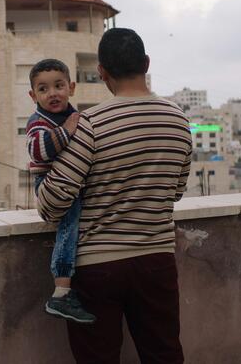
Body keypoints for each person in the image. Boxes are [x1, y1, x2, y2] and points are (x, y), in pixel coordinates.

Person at [37, 28, 192, 363]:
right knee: (164, 354)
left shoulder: (90, 123)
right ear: (146, 63)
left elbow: (53, 203)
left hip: (97, 268)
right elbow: (176, 191)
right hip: (157, 260)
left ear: (102, 72)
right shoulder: (179, 120)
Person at [25, 58, 96, 324]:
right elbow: (37, 150)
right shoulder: (38, 121)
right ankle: (62, 290)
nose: (52, 93)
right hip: (49, 184)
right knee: (68, 224)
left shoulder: (73, 116)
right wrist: (67, 130)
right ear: (33, 96)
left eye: (58, 86)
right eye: (43, 89)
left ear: (71, 87)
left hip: (71, 181)